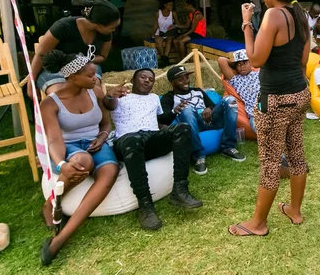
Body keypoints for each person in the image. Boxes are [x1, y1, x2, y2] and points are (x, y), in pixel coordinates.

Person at [229, 0, 310, 236]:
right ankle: (294, 211)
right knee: (296, 153)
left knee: (271, 162)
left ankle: (258, 223)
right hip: (299, 94)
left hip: (275, 101)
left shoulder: (274, 15)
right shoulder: (301, 15)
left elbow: (255, 60)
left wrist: (246, 24)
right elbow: (303, 59)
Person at [39, 50, 119, 265]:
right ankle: (50, 204)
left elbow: (105, 123)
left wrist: (102, 137)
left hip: (96, 141)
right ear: (73, 77)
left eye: (95, 75)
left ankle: (61, 239)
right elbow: (54, 140)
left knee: (111, 170)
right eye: (90, 75)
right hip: (70, 146)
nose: (95, 79)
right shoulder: (50, 103)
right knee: (83, 162)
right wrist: (61, 163)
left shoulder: (95, 91)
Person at [105, 69, 203, 231]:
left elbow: (159, 121)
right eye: (143, 77)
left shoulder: (154, 99)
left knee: (183, 128)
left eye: (151, 79)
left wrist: (171, 130)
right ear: (133, 80)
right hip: (128, 141)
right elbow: (108, 104)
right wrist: (110, 95)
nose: (147, 81)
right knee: (132, 139)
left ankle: (180, 190)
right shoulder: (121, 97)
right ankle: (145, 205)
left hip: (151, 137)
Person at [159, 65, 244, 175]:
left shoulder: (197, 91)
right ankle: (198, 156)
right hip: (194, 125)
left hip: (211, 120)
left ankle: (228, 147)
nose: (186, 81)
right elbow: (163, 119)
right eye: (181, 79)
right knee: (187, 108)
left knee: (230, 100)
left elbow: (213, 106)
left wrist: (209, 108)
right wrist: (174, 111)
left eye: (187, 77)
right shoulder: (168, 97)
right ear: (172, 82)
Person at [30, 0, 120, 99]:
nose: (114, 30)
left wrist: (84, 61)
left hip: (87, 68)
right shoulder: (64, 26)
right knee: (61, 95)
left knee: (93, 95)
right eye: (112, 27)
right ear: (99, 25)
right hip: (57, 69)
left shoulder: (106, 33)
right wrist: (30, 85)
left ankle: (93, 114)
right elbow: (41, 54)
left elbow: (103, 56)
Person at [218, 49, 259, 133]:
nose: (242, 66)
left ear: (250, 62)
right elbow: (221, 60)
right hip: (254, 115)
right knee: (260, 130)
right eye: (239, 64)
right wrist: (234, 64)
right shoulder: (236, 80)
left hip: (268, 109)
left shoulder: (259, 74)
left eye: (245, 63)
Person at [152, 0, 180, 65]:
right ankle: (163, 57)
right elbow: (156, 25)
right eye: (170, 5)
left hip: (169, 32)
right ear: (165, 5)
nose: (171, 7)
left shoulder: (173, 13)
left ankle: (165, 57)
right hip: (160, 31)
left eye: (172, 5)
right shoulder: (158, 13)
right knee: (158, 40)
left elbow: (177, 24)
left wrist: (174, 26)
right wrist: (153, 34)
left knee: (169, 40)